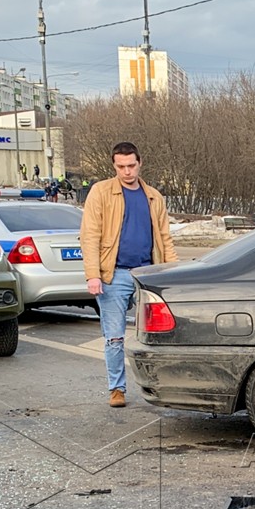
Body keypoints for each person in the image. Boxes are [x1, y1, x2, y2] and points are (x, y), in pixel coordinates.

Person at [79, 141, 179, 407]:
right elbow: (90, 236)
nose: (126, 171)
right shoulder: (101, 192)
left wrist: (173, 273)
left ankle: (162, 387)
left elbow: (164, 238)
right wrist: (93, 275)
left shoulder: (153, 196)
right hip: (114, 276)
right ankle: (117, 389)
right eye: (121, 166)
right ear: (114, 166)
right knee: (114, 337)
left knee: (159, 335)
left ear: (140, 163)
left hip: (148, 275)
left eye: (131, 165)